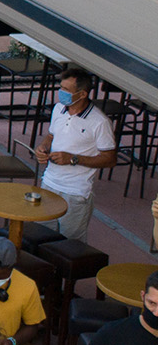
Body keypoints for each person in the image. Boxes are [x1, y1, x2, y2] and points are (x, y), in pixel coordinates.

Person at [33, 64, 117, 242]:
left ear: (83, 94)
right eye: (61, 87)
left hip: (76, 192)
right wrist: (43, 147)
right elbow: (51, 134)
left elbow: (109, 159)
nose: (60, 92)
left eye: (65, 89)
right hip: (49, 183)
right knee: (40, 237)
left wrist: (73, 159)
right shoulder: (58, 109)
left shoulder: (99, 122)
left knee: (70, 244)